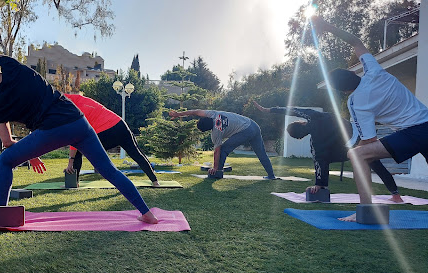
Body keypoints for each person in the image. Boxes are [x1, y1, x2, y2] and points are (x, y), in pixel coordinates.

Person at [0, 34, 158, 224]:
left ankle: (1, 214)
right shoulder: (13, 66)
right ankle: (146, 213)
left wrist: (31, 154)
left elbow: (8, 141)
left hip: (52, 130)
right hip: (78, 120)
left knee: (5, 161)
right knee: (109, 170)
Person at [311, 16, 428, 222]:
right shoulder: (374, 71)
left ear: (344, 90)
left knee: (357, 155)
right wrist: (328, 27)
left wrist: (354, 157)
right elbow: (356, 42)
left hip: (415, 132)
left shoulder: (356, 101)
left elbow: (369, 140)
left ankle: (365, 210)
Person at [253, 101, 403, 202]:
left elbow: (320, 163)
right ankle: (395, 195)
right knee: (375, 163)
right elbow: (293, 110)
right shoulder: (313, 115)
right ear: (301, 122)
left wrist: (320, 184)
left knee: (330, 157)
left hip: (350, 147)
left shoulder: (316, 144)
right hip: (359, 133)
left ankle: (395, 196)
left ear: (301, 137)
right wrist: (270, 110)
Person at [63, 93, 159, 187]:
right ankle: (155, 182)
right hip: (121, 125)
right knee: (136, 153)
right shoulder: (78, 99)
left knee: (79, 148)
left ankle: (73, 182)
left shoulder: (73, 108)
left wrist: (71, 162)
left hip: (108, 130)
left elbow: (76, 136)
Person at [169, 109, 276, 179]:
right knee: (261, 153)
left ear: (207, 130)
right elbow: (195, 112)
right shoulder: (211, 114)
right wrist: (178, 114)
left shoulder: (216, 132)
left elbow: (217, 151)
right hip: (253, 125)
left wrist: (215, 167)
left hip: (245, 130)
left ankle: (217, 173)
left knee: (224, 149)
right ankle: (271, 175)